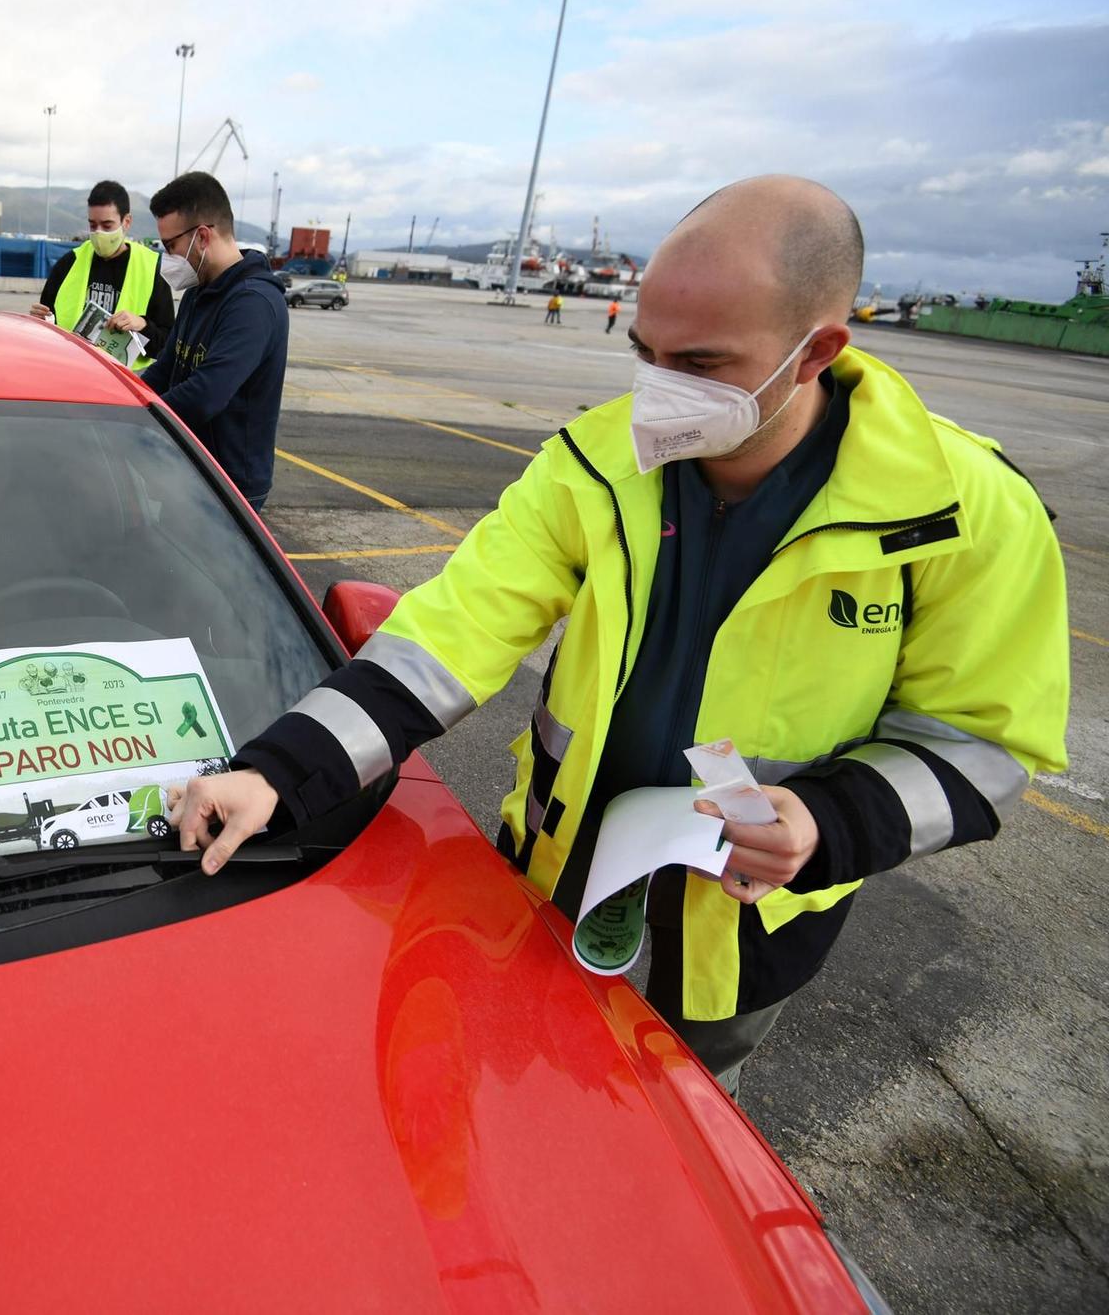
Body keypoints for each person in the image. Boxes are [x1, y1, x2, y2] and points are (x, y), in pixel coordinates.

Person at [170, 175, 1068, 1095]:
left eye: (701, 363)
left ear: (816, 351)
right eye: (645, 352)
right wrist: (278, 770)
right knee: (522, 1083)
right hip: (557, 874)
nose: (658, 392)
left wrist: (832, 820)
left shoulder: (963, 512)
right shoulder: (597, 464)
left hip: (750, 918)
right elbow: (452, 630)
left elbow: (984, 746)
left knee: (685, 1121)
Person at [140, 171, 289, 510]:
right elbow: (165, 370)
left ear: (203, 237)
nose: (167, 258)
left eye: (170, 246)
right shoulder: (198, 291)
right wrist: (118, 395)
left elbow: (205, 395)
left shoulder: (254, 304)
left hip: (229, 485)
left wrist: (136, 418)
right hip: (191, 468)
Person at [31, 180, 174, 370]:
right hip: (72, 371)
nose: (99, 233)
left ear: (126, 222)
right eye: (92, 225)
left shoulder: (150, 269)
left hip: (125, 382)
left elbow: (167, 344)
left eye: (107, 226)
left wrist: (142, 325)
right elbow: (48, 329)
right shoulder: (69, 263)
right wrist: (40, 322)